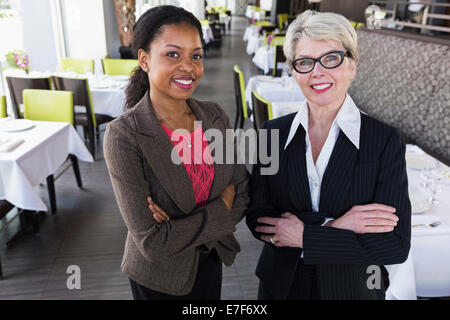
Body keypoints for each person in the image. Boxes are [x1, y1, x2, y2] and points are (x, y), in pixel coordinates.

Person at [246, 10, 411, 300]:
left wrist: (304, 236)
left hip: (352, 289)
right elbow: (258, 218)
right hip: (281, 287)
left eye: (331, 58)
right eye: (305, 62)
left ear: (352, 65)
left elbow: (394, 245)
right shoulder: (271, 133)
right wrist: (339, 225)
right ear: (294, 71)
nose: (317, 72)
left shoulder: (384, 141)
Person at [103, 5, 249, 300]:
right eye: (173, 54)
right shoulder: (124, 135)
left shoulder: (215, 117)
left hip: (211, 259)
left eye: (195, 55)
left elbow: (243, 193)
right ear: (144, 59)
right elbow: (153, 243)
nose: (188, 67)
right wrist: (219, 208)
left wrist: (178, 225)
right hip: (160, 278)